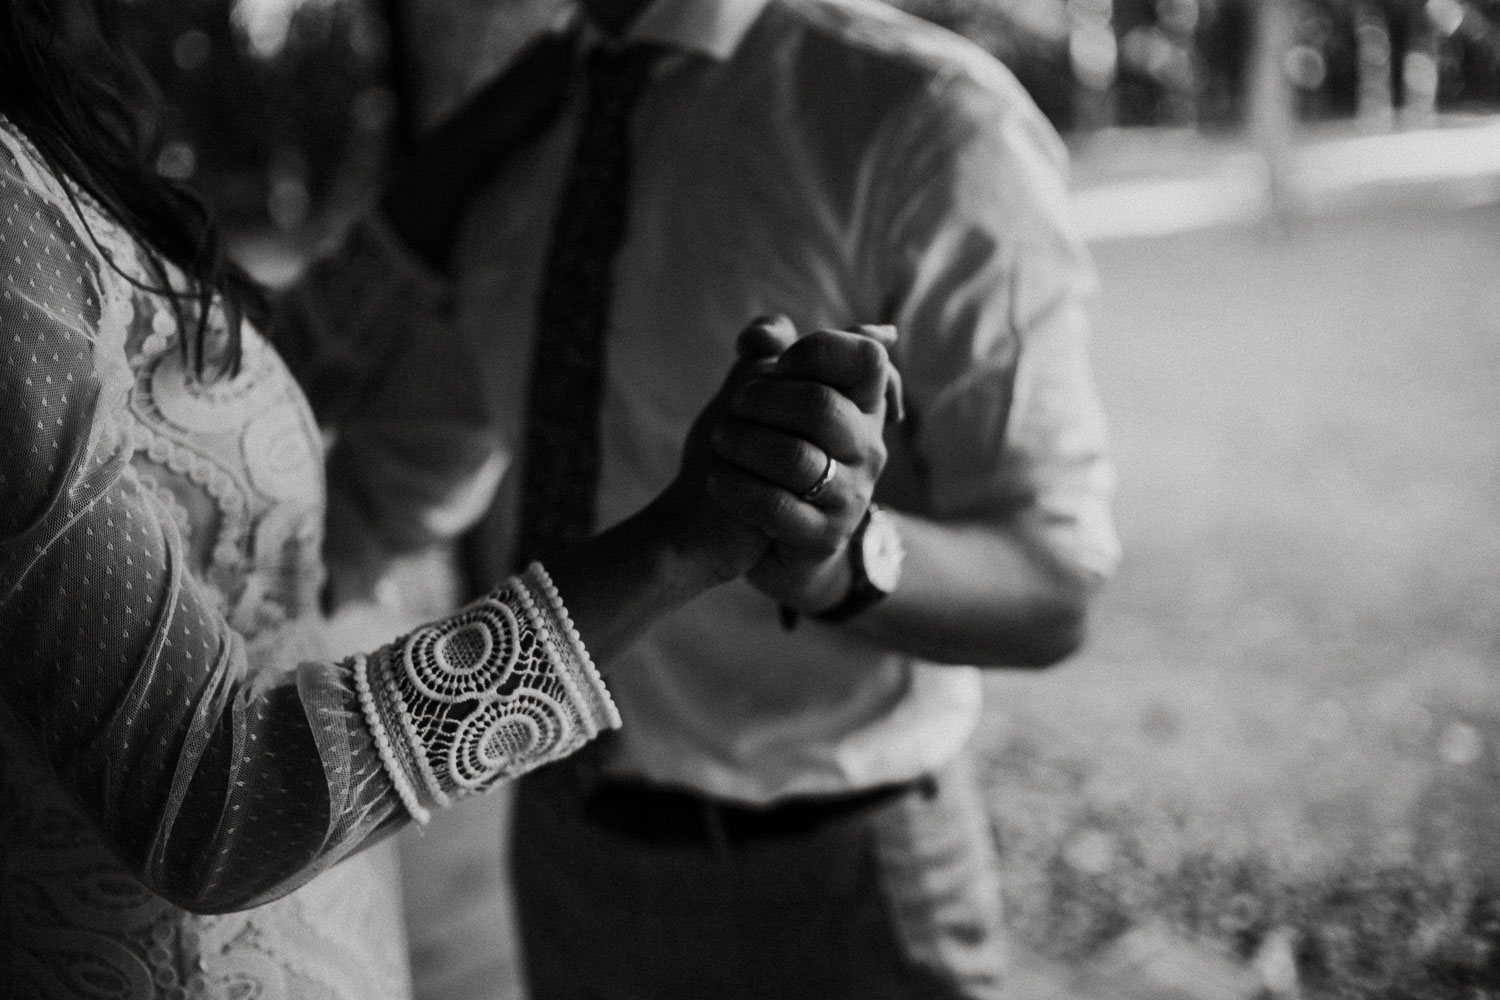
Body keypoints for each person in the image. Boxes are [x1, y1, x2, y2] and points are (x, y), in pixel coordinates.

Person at [0, 3, 896, 999]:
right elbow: (212, 801)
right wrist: (682, 542)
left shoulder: (35, 145)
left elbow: (197, 393)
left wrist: (444, 179)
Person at [421, 0, 1122, 996]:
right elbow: (408, 468)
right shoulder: (507, 149)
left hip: (844, 885)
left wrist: (845, 559)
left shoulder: (925, 116)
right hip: (564, 859)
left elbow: (1057, 584)